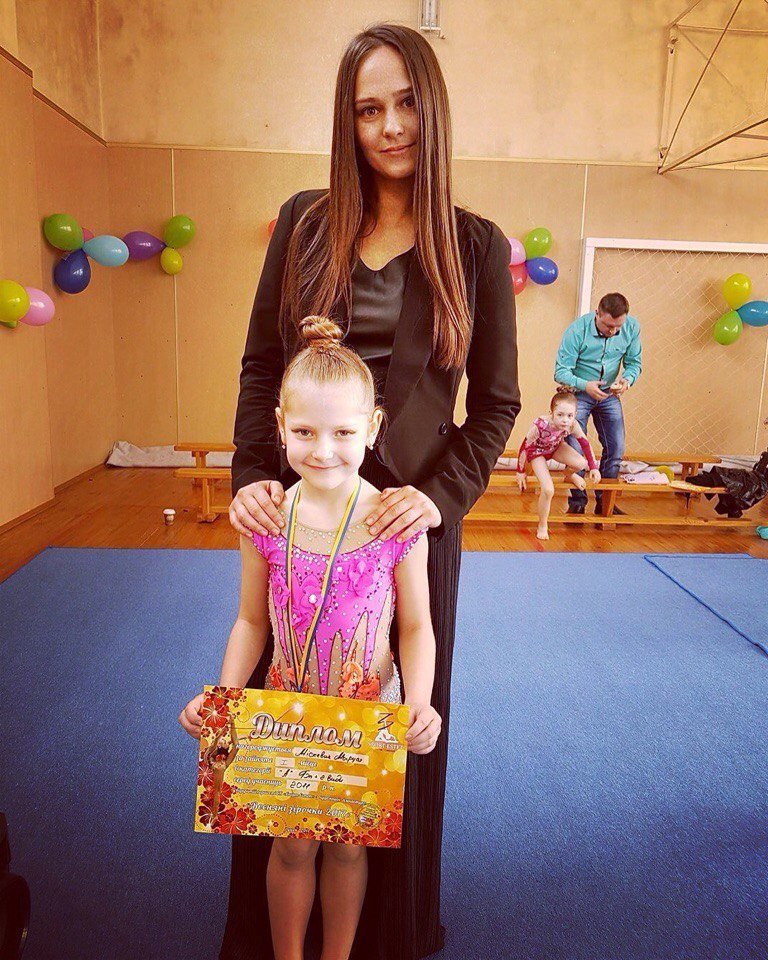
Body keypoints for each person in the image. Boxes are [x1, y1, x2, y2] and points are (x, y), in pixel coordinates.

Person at [218, 22, 520, 960]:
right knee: (282, 722)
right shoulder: (306, 223)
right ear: (347, 123)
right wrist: (252, 479)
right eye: (368, 109)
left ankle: (379, 936)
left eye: (406, 103)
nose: (391, 126)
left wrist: (441, 498)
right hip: (302, 523)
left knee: (396, 734)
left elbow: (496, 405)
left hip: (406, 531)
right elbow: (261, 367)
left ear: (434, 108)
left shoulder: (476, 245)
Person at [180, 316, 441, 959]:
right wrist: (222, 699)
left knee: (348, 849)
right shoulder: (265, 519)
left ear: (372, 427)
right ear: (280, 426)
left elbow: (416, 626)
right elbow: (251, 621)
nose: (323, 450)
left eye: (343, 432)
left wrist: (420, 701)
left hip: (365, 716)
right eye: (304, 432)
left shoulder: (395, 520)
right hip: (285, 714)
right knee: (291, 847)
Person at [553, 292, 641, 515]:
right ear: (597, 314)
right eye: (608, 325)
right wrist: (585, 385)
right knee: (575, 448)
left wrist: (626, 380)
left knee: (616, 447)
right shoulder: (576, 331)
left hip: (609, 394)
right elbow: (560, 372)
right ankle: (577, 502)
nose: (613, 331)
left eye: (618, 327)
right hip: (579, 394)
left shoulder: (631, 328)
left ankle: (605, 503)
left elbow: (634, 363)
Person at [516, 386, 600, 540]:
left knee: (581, 463)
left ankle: (569, 475)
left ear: (575, 415)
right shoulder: (540, 424)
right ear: (551, 413)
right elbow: (525, 446)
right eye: (560, 415)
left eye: (570, 415)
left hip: (555, 448)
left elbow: (585, 444)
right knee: (548, 490)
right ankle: (542, 524)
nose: (565, 420)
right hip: (537, 453)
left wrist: (593, 467)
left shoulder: (572, 425)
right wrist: (520, 471)